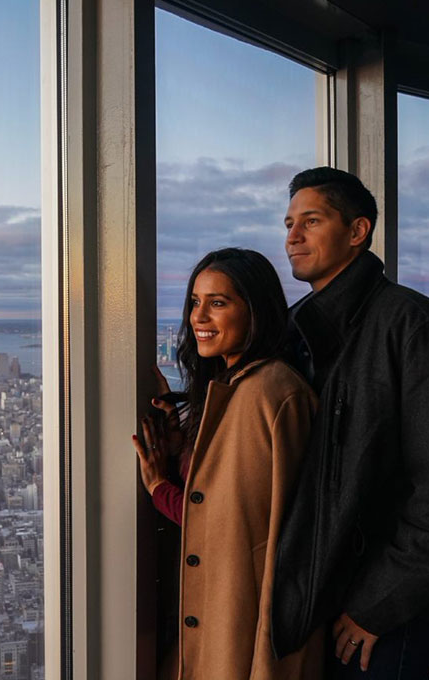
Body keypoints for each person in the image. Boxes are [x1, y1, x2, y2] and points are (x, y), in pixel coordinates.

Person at [271, 167, 429, 680]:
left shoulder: (411, 325)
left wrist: (379, 604)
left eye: (311, 221)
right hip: (321, 596)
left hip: (383, 613)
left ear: (358, 231)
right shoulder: (297, 331)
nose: (292, 236)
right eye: (289, 222)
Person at [134, 247, 323, 680]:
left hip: (243, 631)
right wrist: (184, 446)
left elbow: (235, 528)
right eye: (195, 303)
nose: (199, 317)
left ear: (255, 311)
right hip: (223, 622)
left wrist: (161, 488)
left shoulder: (269, 395)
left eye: (218, 303)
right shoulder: (236, 385)